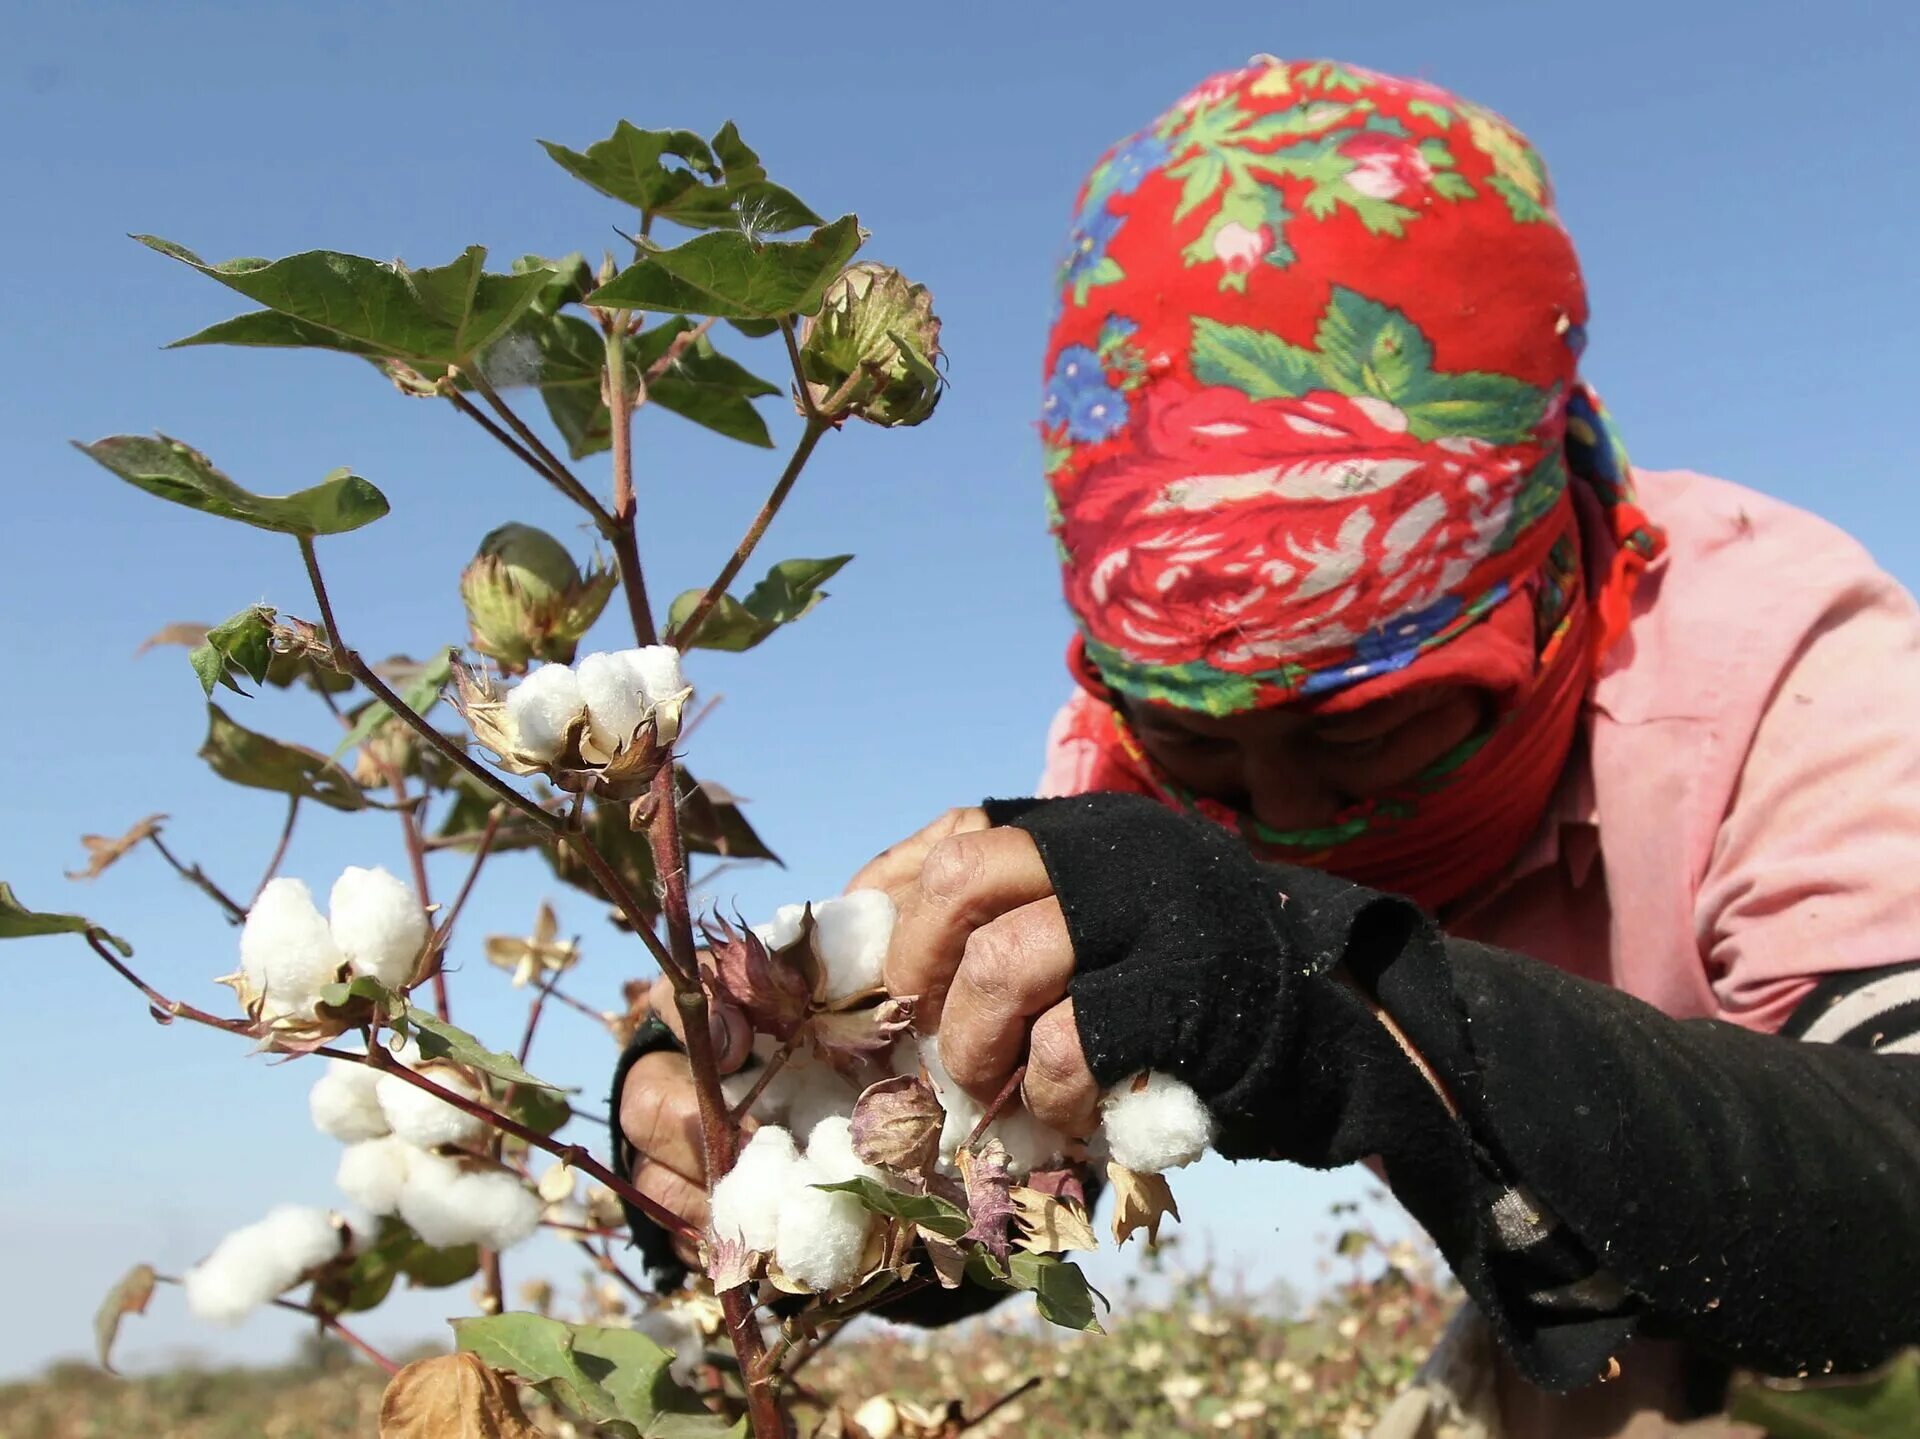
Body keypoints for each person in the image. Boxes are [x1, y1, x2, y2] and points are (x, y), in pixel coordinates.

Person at [615, 59, 1920, 1436]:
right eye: (1209, 755)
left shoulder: (1785, 665)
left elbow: (1897, 1187)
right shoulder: (1120, 769)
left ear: (1535, 592)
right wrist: (755, 1120)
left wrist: (1330, 985)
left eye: (1366, 729)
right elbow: (999, 1185)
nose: (1291, 815)